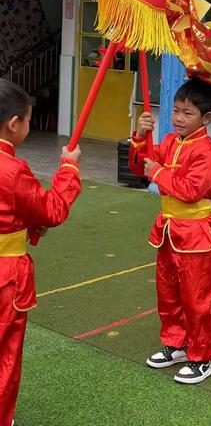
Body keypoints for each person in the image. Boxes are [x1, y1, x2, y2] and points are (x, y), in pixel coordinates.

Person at [129, 78, 211, 384]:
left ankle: (203, 357)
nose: (179, 118)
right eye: (176, 111)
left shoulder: (207, 153)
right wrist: (141, 136)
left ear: (206, 118)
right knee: (168, 293)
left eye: (187, 113)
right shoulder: (169, 141)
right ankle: (175, 343)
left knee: (196, 298)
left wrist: (157, 172)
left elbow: (191, 190)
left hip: (195, 233)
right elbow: (141, 165)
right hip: (169, 229)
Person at [0, 79, 81, 425]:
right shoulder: (13, 171)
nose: (29, 127)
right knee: (5, 353)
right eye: (30, 121)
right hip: (5, 277)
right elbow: (52, 210)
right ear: (14, 123)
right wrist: (69, 168)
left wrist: (25, 224)